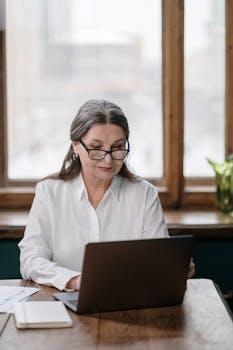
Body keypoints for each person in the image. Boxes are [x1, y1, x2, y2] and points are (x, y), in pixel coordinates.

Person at [19, 99, 193, 291]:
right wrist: (75, 280)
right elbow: (31, 259)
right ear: (76, 145)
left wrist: (173, 267)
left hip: (128, 302)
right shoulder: (49, 192)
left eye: (118, 147)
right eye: (96, 148)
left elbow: (159, 258)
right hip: (63, 303)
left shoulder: (144, 194)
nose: (108, 159)